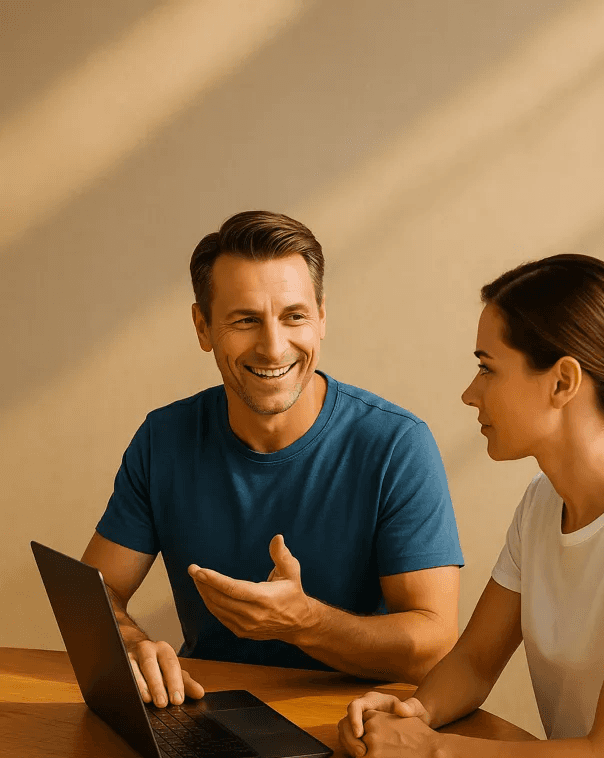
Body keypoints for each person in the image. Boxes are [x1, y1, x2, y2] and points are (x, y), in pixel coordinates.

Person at [338, 253, 604, 758]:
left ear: (563, 380)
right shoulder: (543, 505)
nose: (471, 395)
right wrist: (411, 713)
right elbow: (474, 660)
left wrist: (435, 750)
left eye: (488, 367)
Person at [82, 211, 463, 709]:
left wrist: (305, 622)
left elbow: (435, 647)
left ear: (322, 318)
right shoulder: (164, 438)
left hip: (354, 731)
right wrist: (133, 646)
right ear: (203, 327)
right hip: (202, 714)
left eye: (294, 316)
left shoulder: (396, 445)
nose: (273, 346)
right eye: (245, 320)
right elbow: (92, 593)